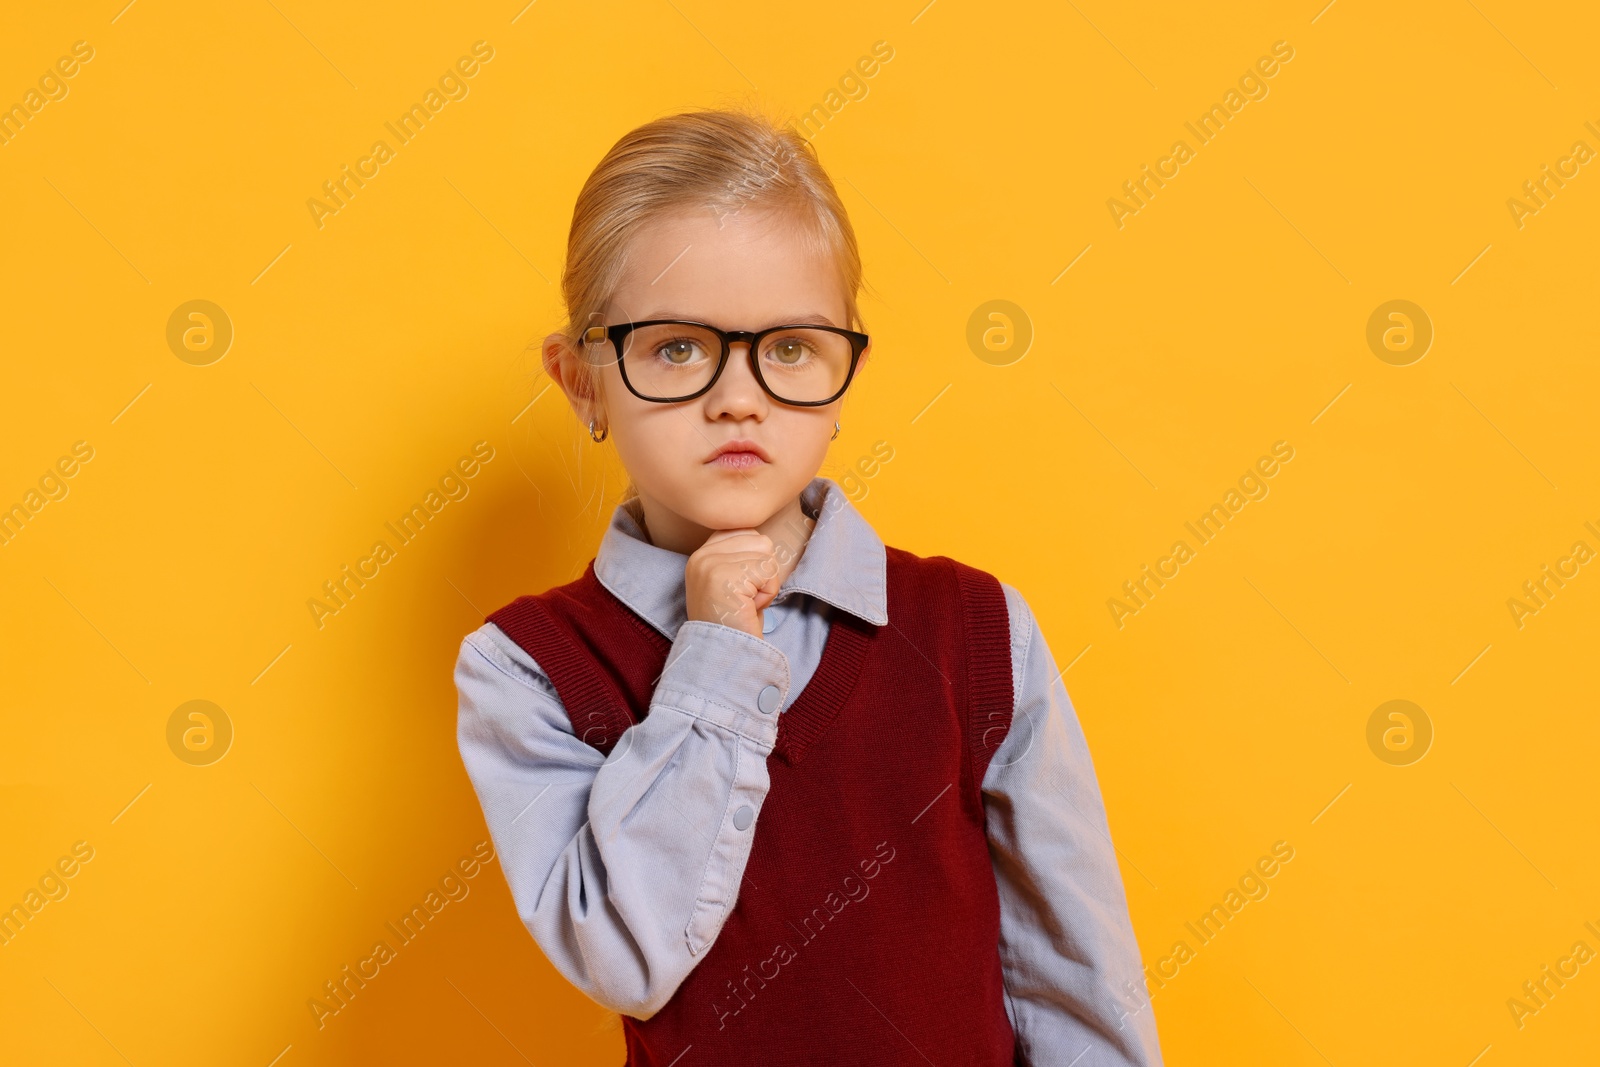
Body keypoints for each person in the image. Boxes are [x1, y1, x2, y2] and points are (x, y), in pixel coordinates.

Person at [454, 106, 1162, 1066]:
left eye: (789, 348)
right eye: (675, 348)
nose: (737, 395)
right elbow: (625, 953)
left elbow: (1073, 968)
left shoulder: (976, 630)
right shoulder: (526, 667)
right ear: (584, 381)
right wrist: (714, 654)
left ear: (842, 374)